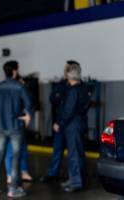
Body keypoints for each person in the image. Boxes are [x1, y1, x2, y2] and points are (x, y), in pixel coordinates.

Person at [0, 60, 33, 198]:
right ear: (15, 71)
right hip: (16, 127)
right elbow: (29, 105)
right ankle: (12, 190)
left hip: (2, 127)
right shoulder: (20, 86)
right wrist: (28, 117)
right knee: (16, 158)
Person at [53, 61, 90, 192]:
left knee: (74, 154)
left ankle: (76, 182)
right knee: (77, 153)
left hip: (73, 125)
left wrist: (59, 123)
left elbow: (68, 110)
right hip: (79, 123)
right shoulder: (83, 88)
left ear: (69, 75)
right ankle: (75, 178)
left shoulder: (73, 91)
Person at [40, 61, 71, 182]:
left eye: (67, 68)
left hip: (71, 126)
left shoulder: (79, 86)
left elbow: (72, 106)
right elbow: (53, 98)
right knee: (57, 150)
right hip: (59, 125)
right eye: (64, 68)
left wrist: (61, 97)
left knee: (73, 153)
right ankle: (53, 173)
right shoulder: (61, 84)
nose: (64, 71)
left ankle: (72, 176)